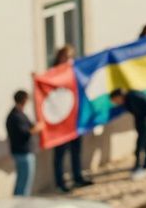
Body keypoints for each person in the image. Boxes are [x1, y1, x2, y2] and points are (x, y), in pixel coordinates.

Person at [50, 45, 92, 192]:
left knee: (76, 150)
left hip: (74, 118)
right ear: (60, 57)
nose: (69, 60)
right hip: (60, 120)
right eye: (66, 57)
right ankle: (60, 183)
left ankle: (77, 177)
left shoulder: (74, 71)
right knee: (60, 154)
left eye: (71, 57)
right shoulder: (52, 74)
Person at [110, 88, 146, 177]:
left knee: (142, 142)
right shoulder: (129, 98)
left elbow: (145, 113)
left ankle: (142, 166)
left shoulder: (132, 98)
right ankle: (142, 165)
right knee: (144, 141)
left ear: (118, 96)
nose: (115, 103)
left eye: (115, 100)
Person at [6, 90, 43, 196]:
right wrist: (37, 128)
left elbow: (30, 126)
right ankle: (21, 204)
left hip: (23, 151)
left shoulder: (20, 114)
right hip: (22, 153)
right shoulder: (15, 116)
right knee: (24, 182)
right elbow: (26, 132)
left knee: (24, 180)